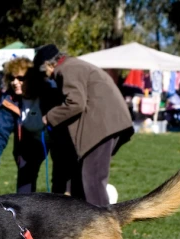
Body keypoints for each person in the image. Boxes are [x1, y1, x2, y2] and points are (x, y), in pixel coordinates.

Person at [34, 44, 134, 206]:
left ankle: (102, 226)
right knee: (85, 178)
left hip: (102, 128)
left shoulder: (66, 69)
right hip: (108, 124)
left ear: (48, 64)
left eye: (43, 70)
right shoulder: (74, 65)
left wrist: (50, 117)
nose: (47, 76)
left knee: (92, 179)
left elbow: (75, 103)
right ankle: (88, 223)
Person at [0, 57, 71, 194]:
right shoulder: (9, 100)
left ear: (32, 79)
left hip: (57, 140)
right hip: (30, 143)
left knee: (61, 185)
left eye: (20, 78)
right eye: (12, 78)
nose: (15, 82)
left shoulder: (50, 92)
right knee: (24, 187)